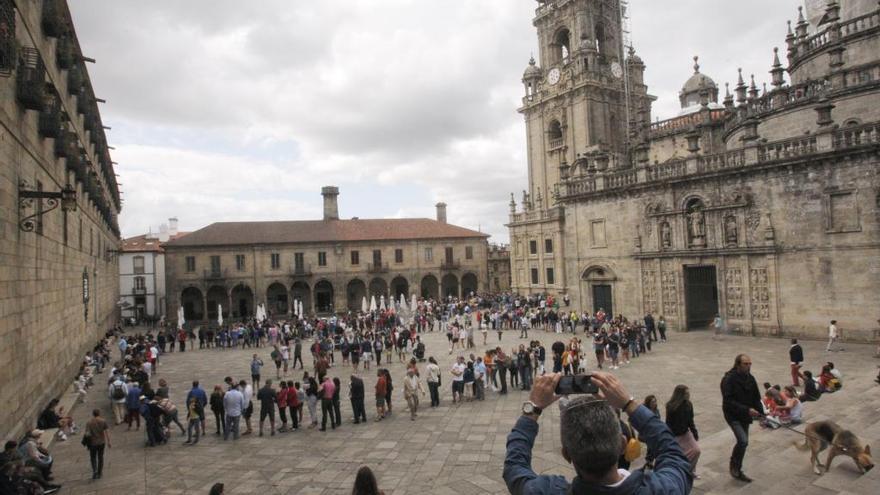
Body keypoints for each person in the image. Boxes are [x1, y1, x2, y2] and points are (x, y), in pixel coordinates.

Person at [503, 372, 692, 494]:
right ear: (622, 444)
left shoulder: (542, 492)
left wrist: (533, 409)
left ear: (566, 454)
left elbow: (515, 466)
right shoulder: (665, 489)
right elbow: (674, 454)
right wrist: (628, 404)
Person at [720, 354, 763, 482]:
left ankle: (737, 468)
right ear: (738, 364)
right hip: (732, 414)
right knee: (743, 440)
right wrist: (747, 409)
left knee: (744, 443)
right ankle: (734, 467)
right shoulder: (728, 379)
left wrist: (762, 413)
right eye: (745, 364)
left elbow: (756, 397)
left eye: (750, 363)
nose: (749, 366)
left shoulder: (750, 378)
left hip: (745, 415)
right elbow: (728, 401)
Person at [665, 385, 701, 479]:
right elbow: (668, 423)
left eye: (688, 393)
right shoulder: (671, 407)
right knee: (679, 455)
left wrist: (694, 432)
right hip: (675, 435)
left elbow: (690, 420)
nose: (688, 395)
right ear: (680, 394)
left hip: (685, 433)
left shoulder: (688, 405)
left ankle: (690, 470)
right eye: (686, 393)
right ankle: (681, 471)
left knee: (696, 450)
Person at [84, 409, 110, 479]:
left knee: (93, 457)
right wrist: (109, 442)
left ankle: (95, 470)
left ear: (93, 414)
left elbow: (87, 434)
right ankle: (100, 472)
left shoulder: (89, 422)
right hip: (101, 442)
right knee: (100, 457)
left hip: (93, 443)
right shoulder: (103, 421)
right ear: (99, 413)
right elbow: (106, 432)